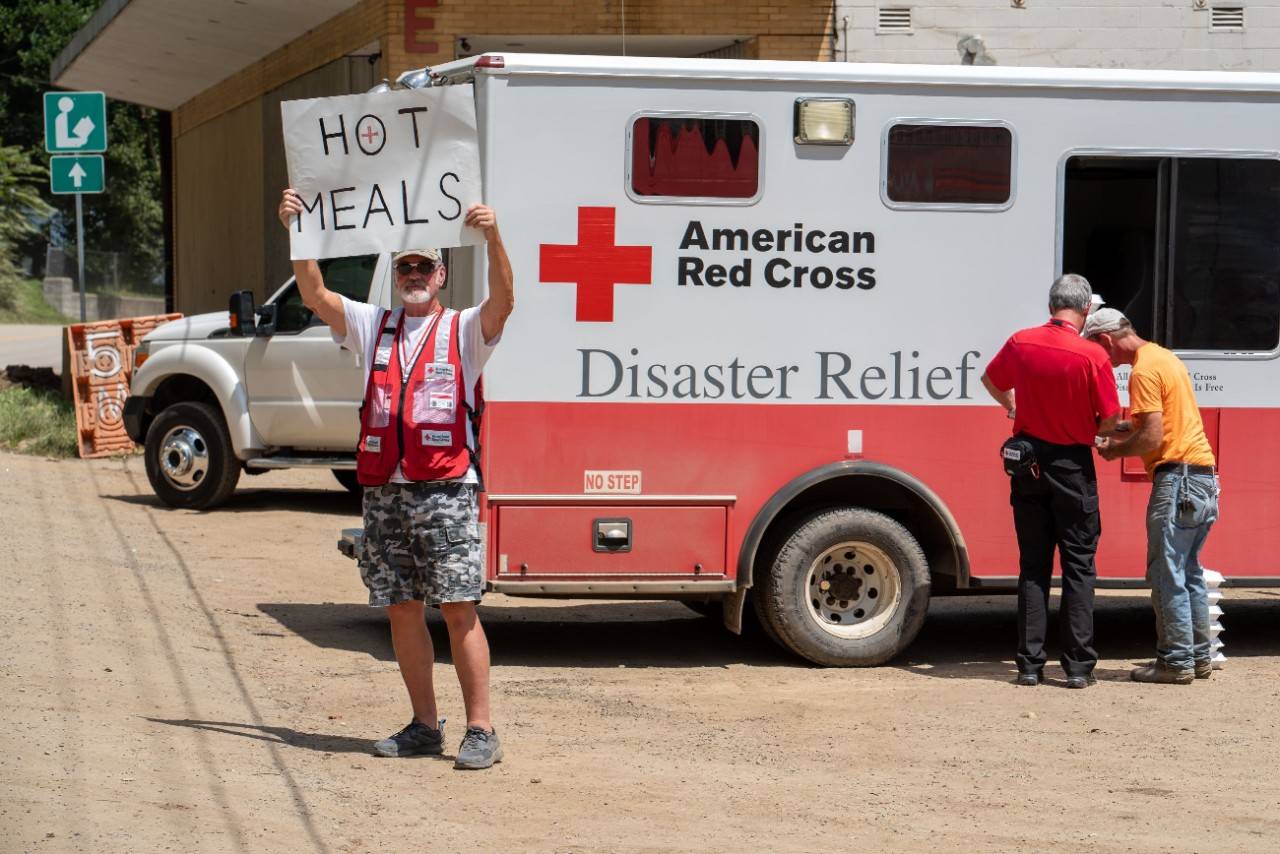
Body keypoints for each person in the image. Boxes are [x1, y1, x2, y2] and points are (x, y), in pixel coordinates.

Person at [278, 188, 514, 767]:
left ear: (441, 275)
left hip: (446, 488)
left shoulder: (463, 329)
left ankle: (480, 730)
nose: (413, 275)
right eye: (405, 266)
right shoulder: (369, 324)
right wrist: (298, 231)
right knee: (401, 606)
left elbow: (505, 302)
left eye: (424, 266)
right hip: (385, 489)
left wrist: (494, 236)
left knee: (458, 607)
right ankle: (424, 727)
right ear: (396, 276)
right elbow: (313, 293)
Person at [981, 274, 1120, 688]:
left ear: (1050, 305)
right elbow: (1111, 417)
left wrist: (1012, 407)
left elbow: (991, 380)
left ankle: (1029, 666)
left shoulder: (1022, 342)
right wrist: (1097, 429)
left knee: (1033, 567)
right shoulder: (1092, 356)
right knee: (1078, 567)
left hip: (1027, 464)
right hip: (1072, 466)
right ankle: (1078, 669)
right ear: (1086, 310)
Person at [1086, 307, 1219, 685]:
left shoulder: (1142, 370)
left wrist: (1115, 450)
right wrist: (1120, 427)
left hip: (1177, 480)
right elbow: (1154, 421)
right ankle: (1198, 657)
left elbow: (1152, 438)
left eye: (1099, 351)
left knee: (1165, 573)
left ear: (1106, 340)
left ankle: (1174, 662)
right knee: (1188, 571)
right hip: (1203, 478)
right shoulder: (1165, 357)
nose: (1103, 360)